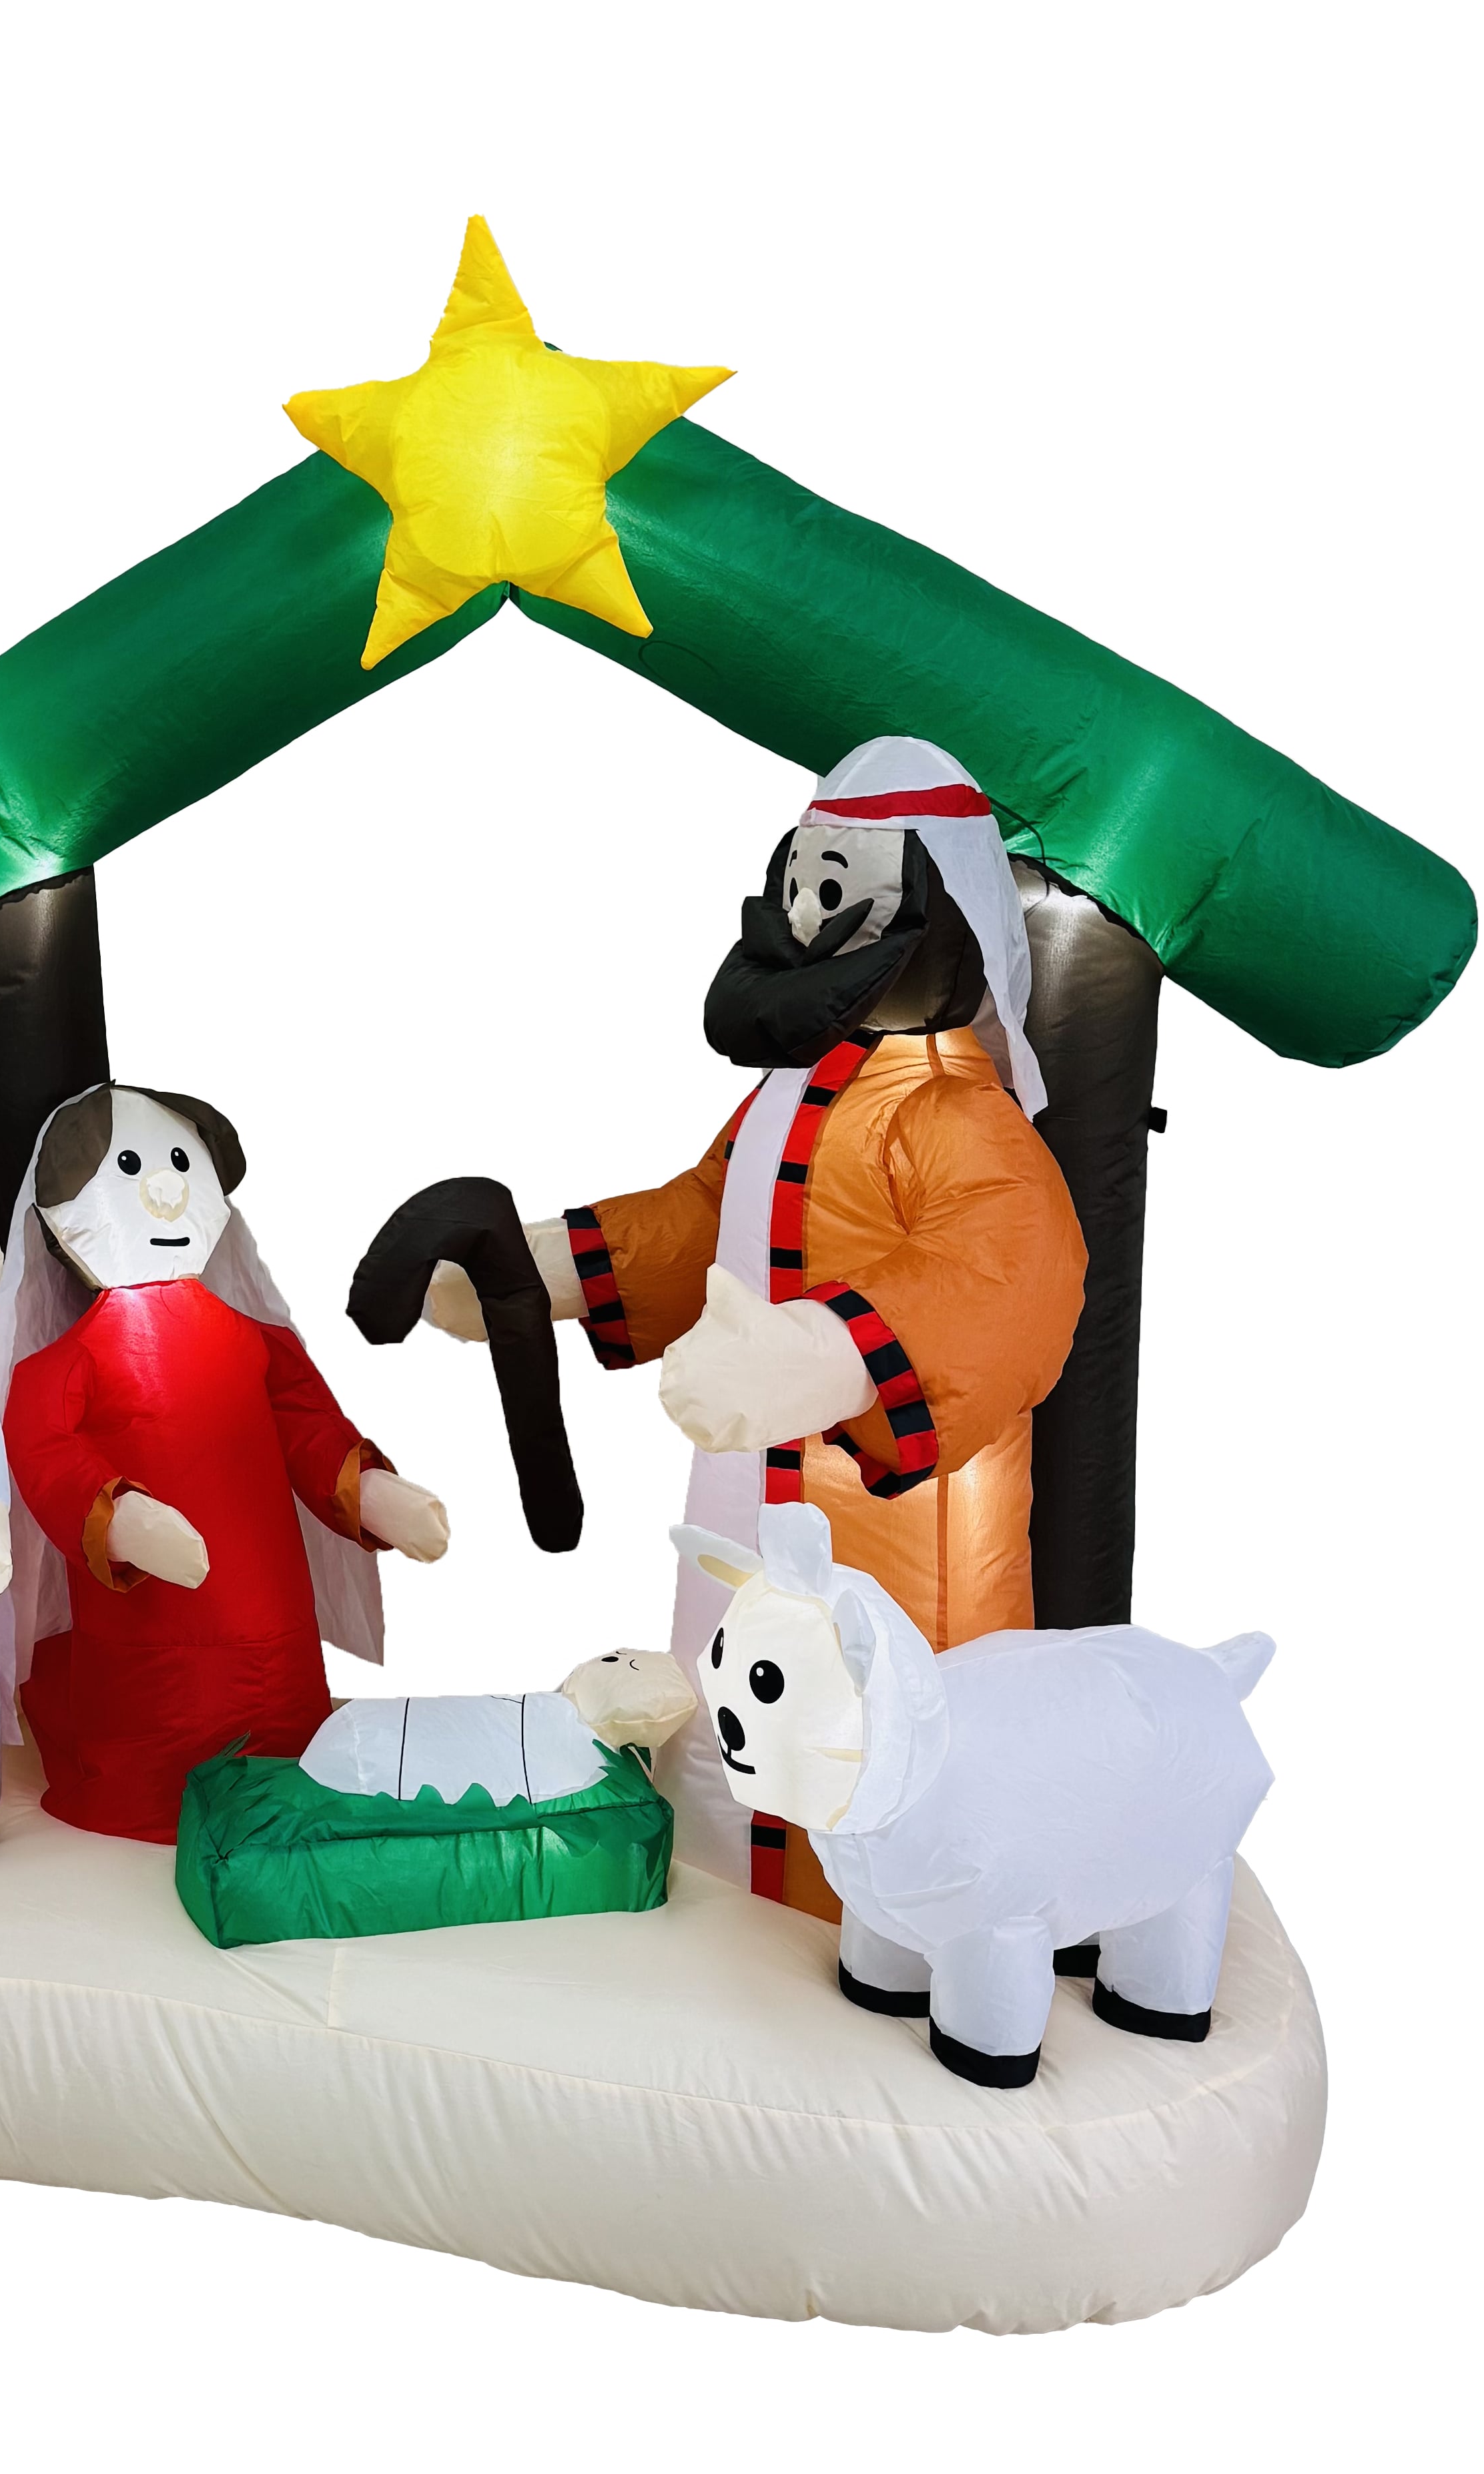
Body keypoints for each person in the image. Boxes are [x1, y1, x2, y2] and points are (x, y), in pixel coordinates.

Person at [424, 737, 1086, 1973]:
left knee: (872, 1738)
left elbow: (1009, 1276)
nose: (808, 917)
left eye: (845, 891)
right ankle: (738, 1926)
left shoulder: (952, 1110)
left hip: (886, 1528)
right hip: (750, 1497)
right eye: (803, 882)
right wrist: (539, 1269)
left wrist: (824, 1355)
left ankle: (894, 1951)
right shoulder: (795, 1092)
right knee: (743, 1707)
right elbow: (703, 1220)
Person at [0, 1081, 448, 1842]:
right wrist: (117, 1517)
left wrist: (366, 1488)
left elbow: (306, 1426)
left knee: (283, 1745)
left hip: (271, 1618)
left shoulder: (256, 1341)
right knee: (167, 1733)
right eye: (132, 1167)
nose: (166, 1190)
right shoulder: (62, 1366)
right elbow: (45, 1452)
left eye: (180, 1163)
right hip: (150, 1644)